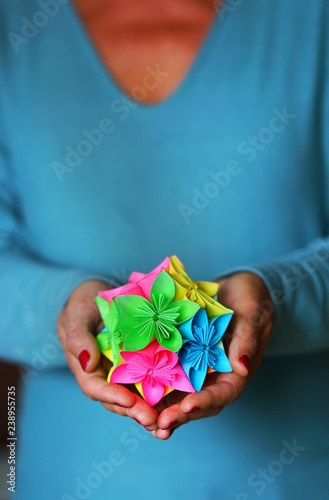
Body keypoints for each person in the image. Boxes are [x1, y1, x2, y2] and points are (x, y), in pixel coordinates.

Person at [1, 0, 328, 498]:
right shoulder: (13, 27)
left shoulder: (311, 19)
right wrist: (63, 305)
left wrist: (276, 296)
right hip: (69, 479)